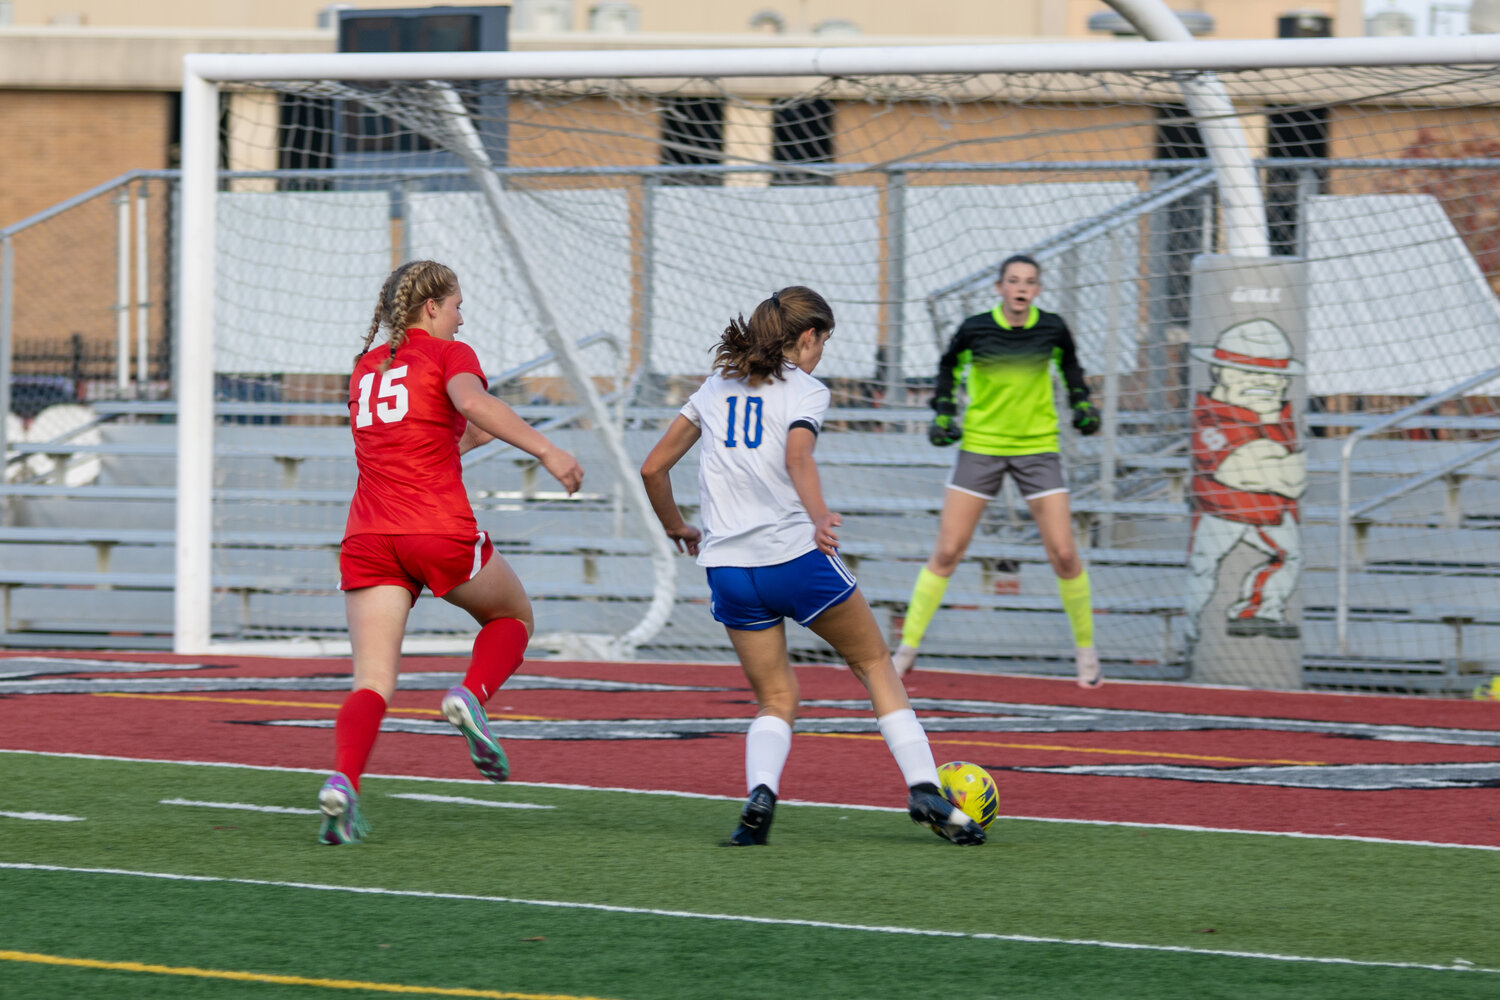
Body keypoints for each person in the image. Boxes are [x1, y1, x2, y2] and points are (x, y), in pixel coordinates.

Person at [639, 286, 985, 847]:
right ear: (807, 337)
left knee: (776, 699)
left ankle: (760, 799)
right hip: (794, 559)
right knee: (875, 663)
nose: (821, 352)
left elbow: (653, 469)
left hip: (727, 569)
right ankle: (924, 788)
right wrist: (820, 516)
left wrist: (678, 527)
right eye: (822, 340)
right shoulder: (806, 391)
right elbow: (797, 456)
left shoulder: (712, 387)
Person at [317, 259, 584, 846]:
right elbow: (469, 404)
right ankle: (469, 695)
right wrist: (546, 450)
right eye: (458, 305)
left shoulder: (366, 369)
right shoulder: (448, 356)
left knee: (372, 681)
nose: (463, 319)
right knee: (512, 616)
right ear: (431, 307)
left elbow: (442, 430)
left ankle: (342, 781)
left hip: (368, 537)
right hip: (433, 527)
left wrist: (475, 424)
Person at [890, 254, 1103, 688]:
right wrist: (944, 411)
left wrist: (1083, 402)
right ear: (999, 287)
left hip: (1038, 449)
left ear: (1037, 289)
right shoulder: (975, 329)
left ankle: (1087, 656)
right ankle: (905, 652)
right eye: (1013, 280)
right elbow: (948, 367)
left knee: (1064, 553)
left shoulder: (1054, 328)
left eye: (1029, 281)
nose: (1021, 288)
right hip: (981, 448)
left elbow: (1072, 367)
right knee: (947, 552)